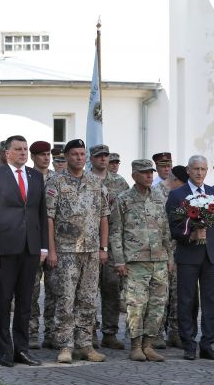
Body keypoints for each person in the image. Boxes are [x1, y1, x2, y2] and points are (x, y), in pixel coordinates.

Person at [0, 135, 48, 367]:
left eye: (25, 149)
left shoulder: (35, 176)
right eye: (18, 149)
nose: (23, 153)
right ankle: (5, 350)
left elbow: (41, 213)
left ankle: (22, 349)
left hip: (30, 247)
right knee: (4, 300)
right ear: (7, 153)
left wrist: (43, 246)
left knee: (26, 301)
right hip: (5, 247)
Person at [46, 139, 109, 364]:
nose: (79, 158)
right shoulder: (56, 182)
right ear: (66, 156)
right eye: (75, 154)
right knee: (66, 298)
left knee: (89, 298)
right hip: (66, 251)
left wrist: (103, 248)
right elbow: (49, 218)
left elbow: (104, 216)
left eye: (82, 154)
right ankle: (65, 345)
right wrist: (51, 251)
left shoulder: (95, 182)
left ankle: (85, 344)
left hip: (91, 251)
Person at [165, 155, 214, 361]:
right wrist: (191, 235)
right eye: (195, 169)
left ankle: (207, 344)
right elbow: (173, 228)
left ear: (207, 170)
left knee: (210, 301)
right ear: (188, 170)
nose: (199, 173)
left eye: (203, 169)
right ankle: (189, 343)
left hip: (211, 256)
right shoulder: (177, 195)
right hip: (188, 255)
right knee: (187, 301)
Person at [110, 159, 173, 361]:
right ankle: (136, 346)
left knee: (157, 305)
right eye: (144, 172)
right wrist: (119, 261)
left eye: (150, 172)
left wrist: (170, 257)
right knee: (136, 305)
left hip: (159, 260)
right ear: (134, 175)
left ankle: (148, 345)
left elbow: (165, 229)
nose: (149, 176)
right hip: (135, 261)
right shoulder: (123, 199)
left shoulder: (159, 197)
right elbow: (115, 232)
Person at [89, 144, 128, 350]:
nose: (103, 159)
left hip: (113, 243)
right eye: (99, 156)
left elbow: (127, 210)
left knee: (112, 288)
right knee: (88, 290)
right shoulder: (85, 180)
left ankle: (110, 333)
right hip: (88, 241)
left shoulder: (119, 182)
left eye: (106, 156)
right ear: (92, 159)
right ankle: (89, 332)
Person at [28, 140, 54, 349]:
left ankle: (52, 332)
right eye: (42, 154)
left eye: (48, 154)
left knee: (54, 291)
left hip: (54, 243)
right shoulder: (26, 177)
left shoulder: (58, 178)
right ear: (33, 157)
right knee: (31, 289)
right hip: (32, 241)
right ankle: (31, 331)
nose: (46, 158)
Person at [163, 164, 190, 347]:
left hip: (181, 251)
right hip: (164, 251)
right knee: (162, 295)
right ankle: (158, 333)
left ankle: (175, 332)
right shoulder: (161, 194)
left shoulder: (188, 197)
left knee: (178, 294)